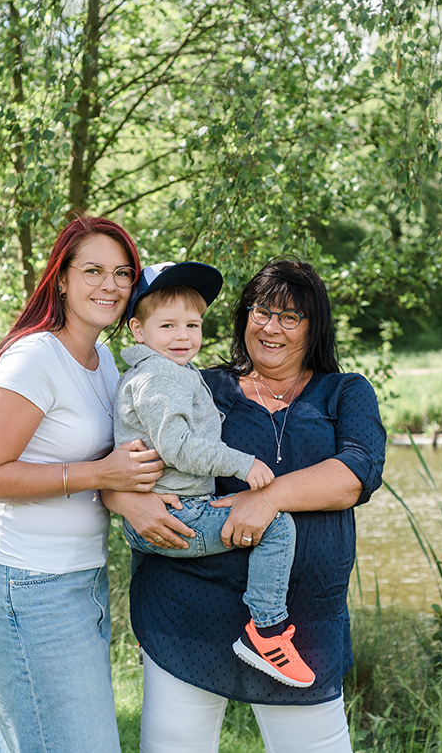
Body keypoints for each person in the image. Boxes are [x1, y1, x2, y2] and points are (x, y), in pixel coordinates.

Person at [104, 257, 387, 753]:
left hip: (298, 624)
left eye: (290, 316)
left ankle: (267, 630)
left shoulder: (344, 392)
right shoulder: (201, 385)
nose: (271, 327)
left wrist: (268, 498)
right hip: (188, 609)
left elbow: (354, 475)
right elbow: (124, 452)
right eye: (261, 311)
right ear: (243, 318)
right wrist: (122, 499)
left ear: (313, 327)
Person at [0, 215, 180, 753]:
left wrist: (129, 494)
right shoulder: (35, 356)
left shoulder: (103, 359)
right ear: (61, 277)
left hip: (79, 581)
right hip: (24, 584)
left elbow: (109, 462)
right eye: (94, 271)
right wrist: (100, 475)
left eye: (123, 273)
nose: (110, 285)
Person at [114, 260, 314, 688]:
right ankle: (266, 629)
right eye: (167, 326)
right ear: (137, 330)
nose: (183, 336)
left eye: (192, 324)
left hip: (170, 505)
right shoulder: (159, 378)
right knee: (276, 527)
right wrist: (243, 463)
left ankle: (152, 635)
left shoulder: (175, 372)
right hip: (178, 511)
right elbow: (177, 447)